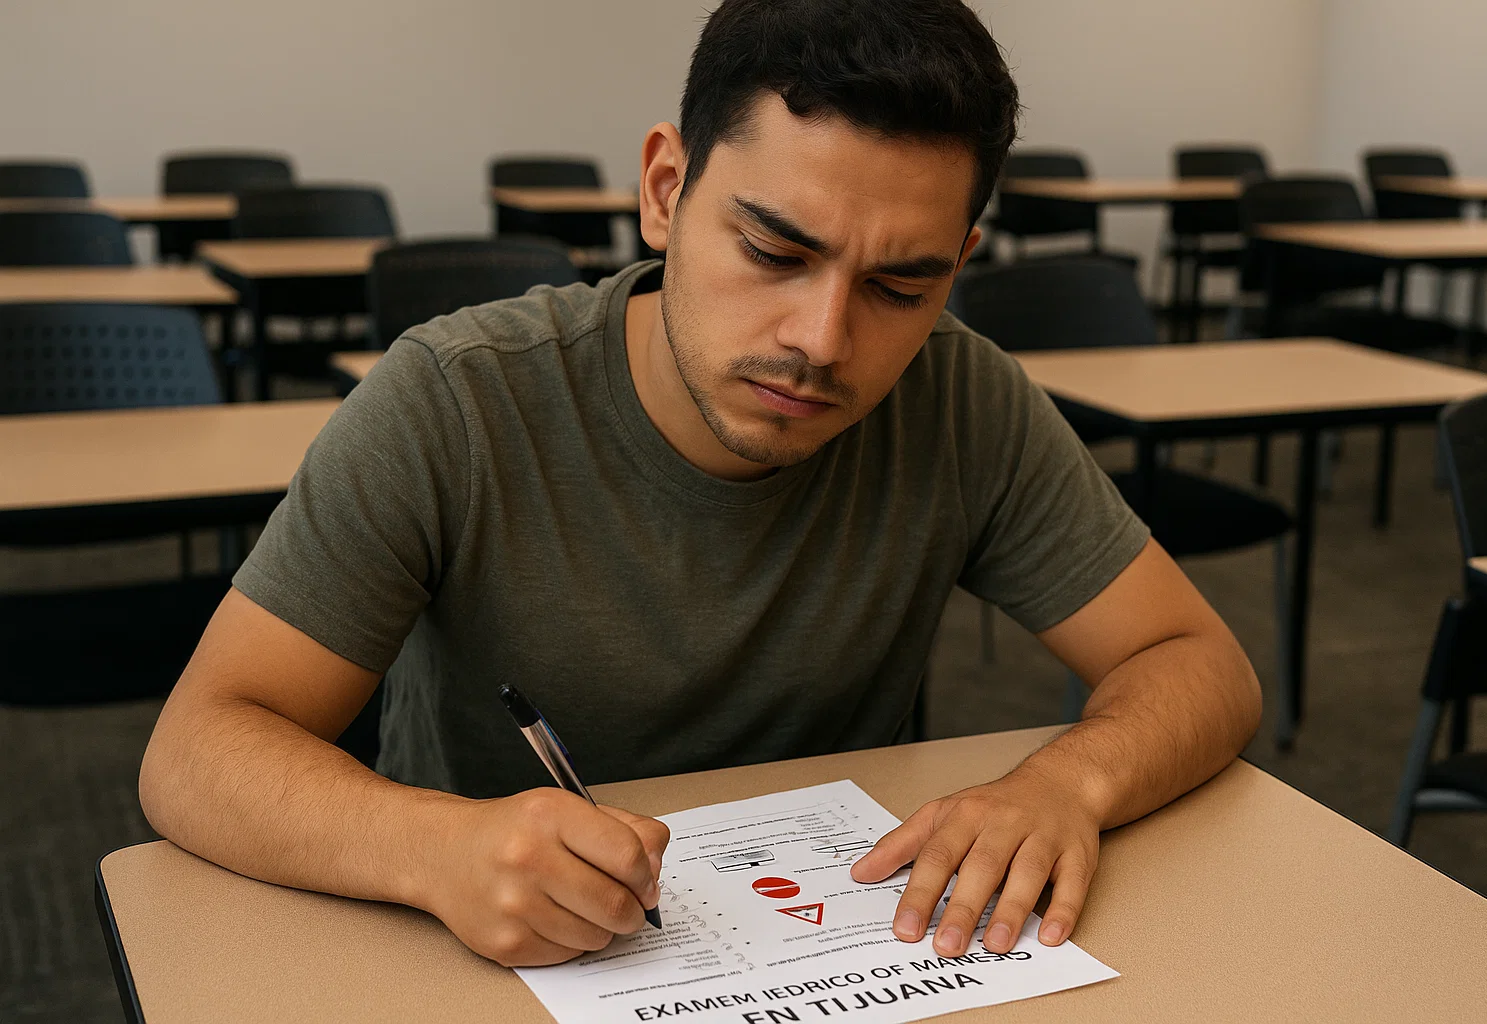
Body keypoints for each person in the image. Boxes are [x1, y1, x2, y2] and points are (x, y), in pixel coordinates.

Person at [139, 0, 1261, 969]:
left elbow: (1197, 662)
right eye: (774, 252)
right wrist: (434, 848)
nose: (822, 340)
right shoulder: (458, 400)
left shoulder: (963, 399)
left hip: (824, 946)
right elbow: (196, 750)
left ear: (958, 266)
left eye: (899, 285)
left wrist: (1066, 784)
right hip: (481, 953)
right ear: (667, 189)